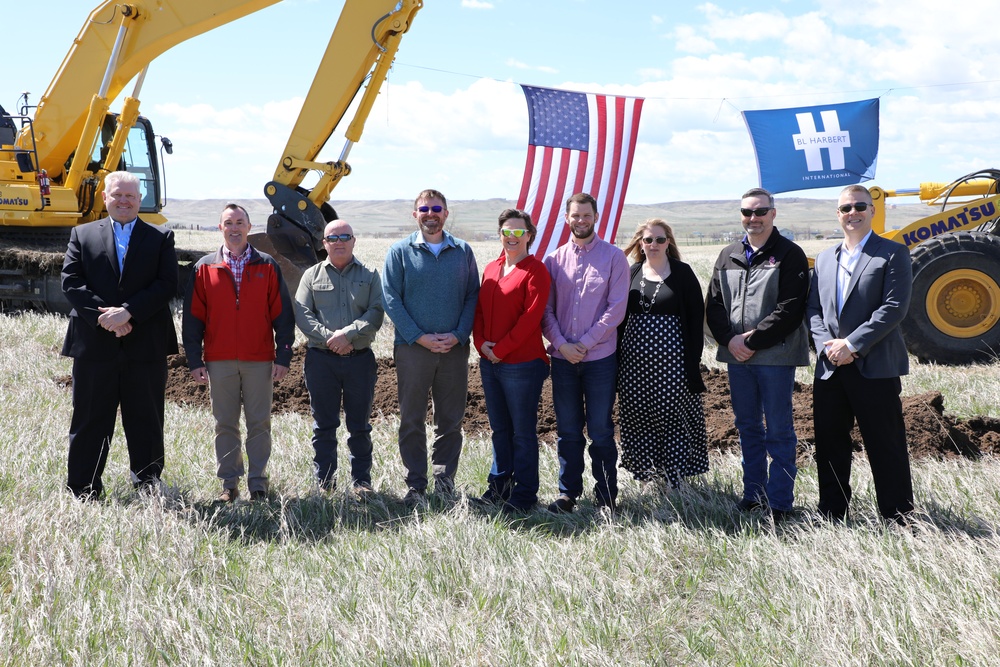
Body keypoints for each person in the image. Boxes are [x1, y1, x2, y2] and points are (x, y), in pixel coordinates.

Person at [61, 170, 179, 499]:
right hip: (94, 345)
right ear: (105, 198)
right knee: (90, 418)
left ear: (140, 200)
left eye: (130, 196)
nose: (124, 201)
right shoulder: (81, 235)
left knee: (146, 418)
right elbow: (71, 282)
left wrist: (129, 312)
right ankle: (83, 488)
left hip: (145, 346)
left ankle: (147, 484)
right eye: (117, 195)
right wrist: (107, 318)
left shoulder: (160, 237)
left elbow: (167, 283)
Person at [806, 184, 914, 524]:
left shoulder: (892, 254)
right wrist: (829, 346)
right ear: (837, 215)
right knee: (830, 444)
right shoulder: (824, 259)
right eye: (845, 208)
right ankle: (831, 514)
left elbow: (894, 308)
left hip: (875, 367)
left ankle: (898, 516)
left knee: (885, 444)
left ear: (871, 211)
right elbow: (813, 310)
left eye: (859, 206)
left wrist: (851, 345)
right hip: (830, 368)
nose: (852, 213)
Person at [705, 188, 810, 520]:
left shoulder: (790, 254)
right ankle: (753, 494)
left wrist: (751, 341)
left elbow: (791, 308)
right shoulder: (728, 255)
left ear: (773, 214)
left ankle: (779, 502)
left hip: (775, 357)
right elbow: (715, 304)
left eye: (760, 212)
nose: (754, 218)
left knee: (779, 430)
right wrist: (730, 340)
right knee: (747, 426)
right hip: (738, 358)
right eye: (747, 212)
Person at [182, 203, 294, 502]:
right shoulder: (205, 267)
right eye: (228, 222)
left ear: (249, 226)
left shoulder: (267, 265)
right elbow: (192, 318)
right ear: (221, 228)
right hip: (219, 361)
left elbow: (283, 315)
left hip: (260, 360)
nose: (234, 228)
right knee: (225, 423)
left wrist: (283, 355)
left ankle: (258, 484)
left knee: (260, 423)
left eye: (240, 222)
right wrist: (195, 359)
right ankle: (229, 484)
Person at [382, 189, 479, 504]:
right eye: (424, 209)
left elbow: (472, 297)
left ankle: (444, 482)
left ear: (446, 213)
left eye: (437, 208)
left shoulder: (463, 251)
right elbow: (391, 299)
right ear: (415, 215)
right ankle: (415, 484)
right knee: (411, 418)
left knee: (449, 420)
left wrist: (459, 334)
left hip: (454, 349)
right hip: (413, 349)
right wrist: (418, 336)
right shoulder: (400, 252)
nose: (430, 214)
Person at [541, 192, 629, 514]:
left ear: (596, 217)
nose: (581, 221)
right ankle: (568, 493)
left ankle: (606, 496)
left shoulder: (614, 258)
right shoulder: (554, 260)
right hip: (563, 361)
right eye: (575, 216)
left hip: (600, 360)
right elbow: (546, 310)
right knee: (567, 430)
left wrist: (586, 343)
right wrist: (563, 344)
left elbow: (616, 309)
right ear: (567, 219)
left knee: (602, 430)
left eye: (586, 215)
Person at [294, 219, 384, 498]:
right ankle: (325, 483)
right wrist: (331, 340)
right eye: (333, 238)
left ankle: (361, 483)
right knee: (324, 425)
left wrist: (348, 334)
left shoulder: (369, 275)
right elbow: (302, 314)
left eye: (345, 236)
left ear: (354, 241)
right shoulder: (311, 275)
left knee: (359, 425)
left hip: (360, 360)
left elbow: (377, 311)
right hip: (322, 361)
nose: (339, 242)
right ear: (324, 244)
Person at [618, 219, 708, 489]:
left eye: (659, 239)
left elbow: (695, 322)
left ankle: (675, 479)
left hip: (673, 365)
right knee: (639, 416)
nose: (654, 244)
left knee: (671, 417)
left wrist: (692, 363)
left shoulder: (682, 273)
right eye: (648, 240)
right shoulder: (631, 272)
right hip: (633, 366)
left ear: (668, 242)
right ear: (640, 243)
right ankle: (648, 478)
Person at [472, 208, 551, 513]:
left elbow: (530, 320)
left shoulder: (536, 271)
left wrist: (500, 349)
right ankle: (499, 486)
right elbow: (479, 312)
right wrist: (481, 345)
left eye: (518, 232)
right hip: (490, 362)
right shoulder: (491, 268)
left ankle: (525, 494)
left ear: (529, 235)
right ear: (500, 234)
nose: (512, 237)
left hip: (522, 364)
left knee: (522, 431)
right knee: (499, 429)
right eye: (507, 231)